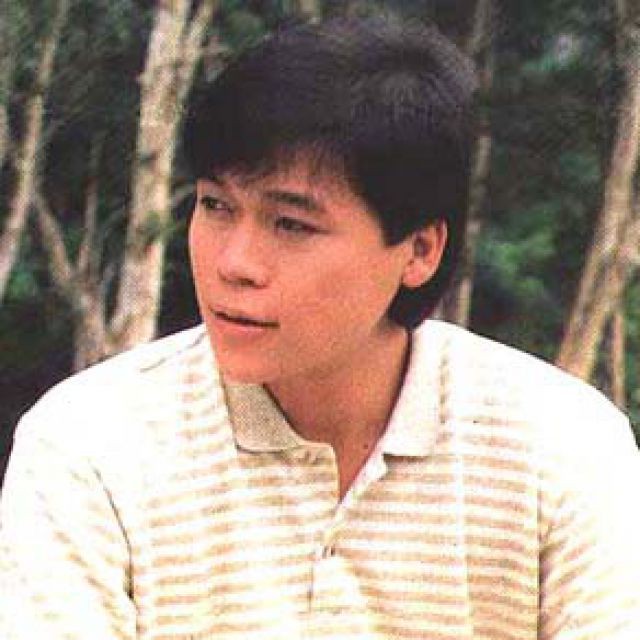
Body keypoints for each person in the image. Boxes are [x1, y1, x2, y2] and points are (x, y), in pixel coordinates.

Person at [1, 15, 639, 640]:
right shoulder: (92, 444)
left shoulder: (561, 448)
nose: (234, 263)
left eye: (291, 224)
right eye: (215, 205)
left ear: (419, 250)